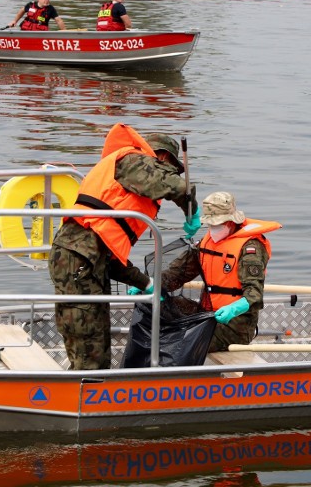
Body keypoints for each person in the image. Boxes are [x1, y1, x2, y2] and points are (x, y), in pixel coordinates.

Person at [48, 123, 200, 370]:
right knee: (87, 337)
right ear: (161, 157)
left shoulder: (124, 182)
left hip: (84, 259)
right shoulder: (133, 161)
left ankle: (93, 385)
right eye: (172, 167)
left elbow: (109, 259)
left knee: (96, 336)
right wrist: (191, 210)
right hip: (77, 258)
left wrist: (145, 283)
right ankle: (87, 393)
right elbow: (175, 186)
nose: (173, 173)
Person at [157, 192, 282, 352]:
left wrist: (233, 309)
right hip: (206, 314)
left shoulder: (250, 249)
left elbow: (254, 294)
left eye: (217, 224)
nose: (213, 228)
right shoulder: (206, 242)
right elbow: (177, 273)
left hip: (235, 324)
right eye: (210, 224)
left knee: (182, 344)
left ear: (231, 221)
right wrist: (149, 284)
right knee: (160, 318)